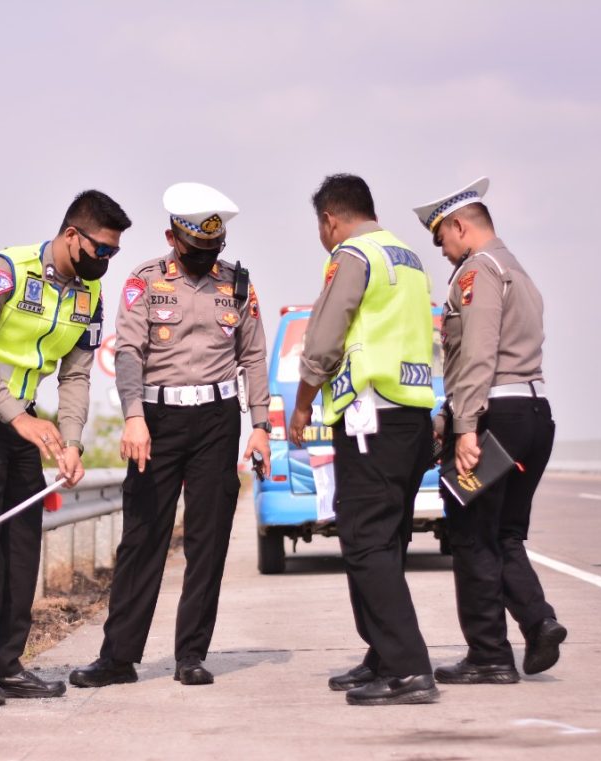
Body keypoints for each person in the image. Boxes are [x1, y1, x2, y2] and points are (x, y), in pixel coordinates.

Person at [0, 190, 132, 707]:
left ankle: (7, 665)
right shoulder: (4, 271)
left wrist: (71, 442)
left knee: (22, 547)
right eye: (101, 250)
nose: (105, 262)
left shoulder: (89, 297)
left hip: (22, 423)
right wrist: (17, 416)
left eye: (113, 253)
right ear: (72, 236)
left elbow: (77, 375)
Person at [68, 182, 271, 688]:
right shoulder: (144, 281)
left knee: (208, 541)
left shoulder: (238, 285)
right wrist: (133, 415)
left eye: (213, 249)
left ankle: (191, 655)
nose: (206, 257)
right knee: (143, 539)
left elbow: (252, 357)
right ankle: (118, 658)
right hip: (156, 422)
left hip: (217, 421)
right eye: (196, 249)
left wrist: (261, 425)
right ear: (172, 237)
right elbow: (129, 351)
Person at [287, 173, 439, 706]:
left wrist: (303, 401)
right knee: (388, 539)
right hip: (413, 416)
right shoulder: (409, 257)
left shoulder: (353, 255)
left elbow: (326, 336)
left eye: (321, 226)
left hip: (372, 416)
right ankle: (380, 653)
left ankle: (408, 668)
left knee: (365, 539)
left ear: (330, 219)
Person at [413, 177, 566, 684]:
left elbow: (476, 355)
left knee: (472, 534)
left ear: (460, 225)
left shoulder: (477, 272)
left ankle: (488, 656)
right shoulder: (517, 270)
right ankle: (539, 621)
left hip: (492, 419)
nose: (442, 251)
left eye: (441, 239)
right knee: (505, 533)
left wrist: (464, 428)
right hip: (532, 416)